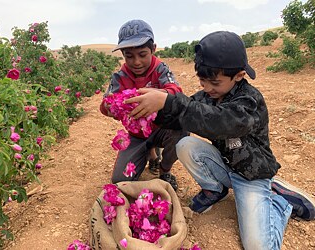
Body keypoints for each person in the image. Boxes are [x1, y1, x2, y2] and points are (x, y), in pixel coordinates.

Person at [125, 31, 315, 249]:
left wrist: (170, 101)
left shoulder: (250, 101)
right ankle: (214, 189)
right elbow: (183, 115)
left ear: (239, 76)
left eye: (214, 82)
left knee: (257, 246)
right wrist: (153, 109)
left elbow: (220, 122)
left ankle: (279, 201)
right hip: (225, 166)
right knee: (185, 144)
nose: (206, 88)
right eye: (202, 81)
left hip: (252, 176)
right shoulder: (209, 95)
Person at [100, 19, 187, 191]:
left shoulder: (160, 69)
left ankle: (164, 170)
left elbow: (176, 91)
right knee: (120, 182)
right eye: (129, 56)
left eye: (142, 54)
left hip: (162, 128)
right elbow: (105, 104)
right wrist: (110, 107)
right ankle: (149, 153)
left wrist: (160, 96)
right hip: (136, 136)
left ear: (153, 49)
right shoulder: (119, 77)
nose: (136, 62)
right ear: (123, 54)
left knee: (182, 130)